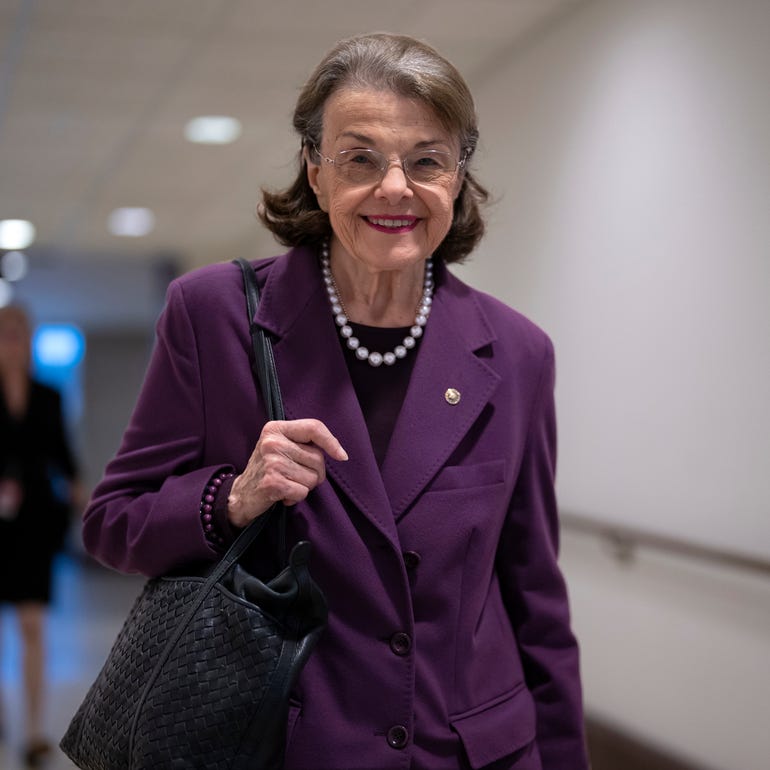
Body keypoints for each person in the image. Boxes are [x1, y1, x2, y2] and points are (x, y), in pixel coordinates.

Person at [81, 33, 589, 769]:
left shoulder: (517, 354)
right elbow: (111, 523)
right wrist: (234, 497)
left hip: (471, 753)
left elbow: (535, 595)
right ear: (314, 171)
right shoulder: (215, 313)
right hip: (288, 747)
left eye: (426, 160)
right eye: (359, 158)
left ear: (457, 178)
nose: (394, 188)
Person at [0, 304, 83, 768]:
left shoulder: (48, 396)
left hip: (33, 521)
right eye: (5, 332)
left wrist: (86, 499)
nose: (12, 340)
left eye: (19, 332)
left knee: (32, 626)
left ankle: (32, 730)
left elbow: (64, 456)